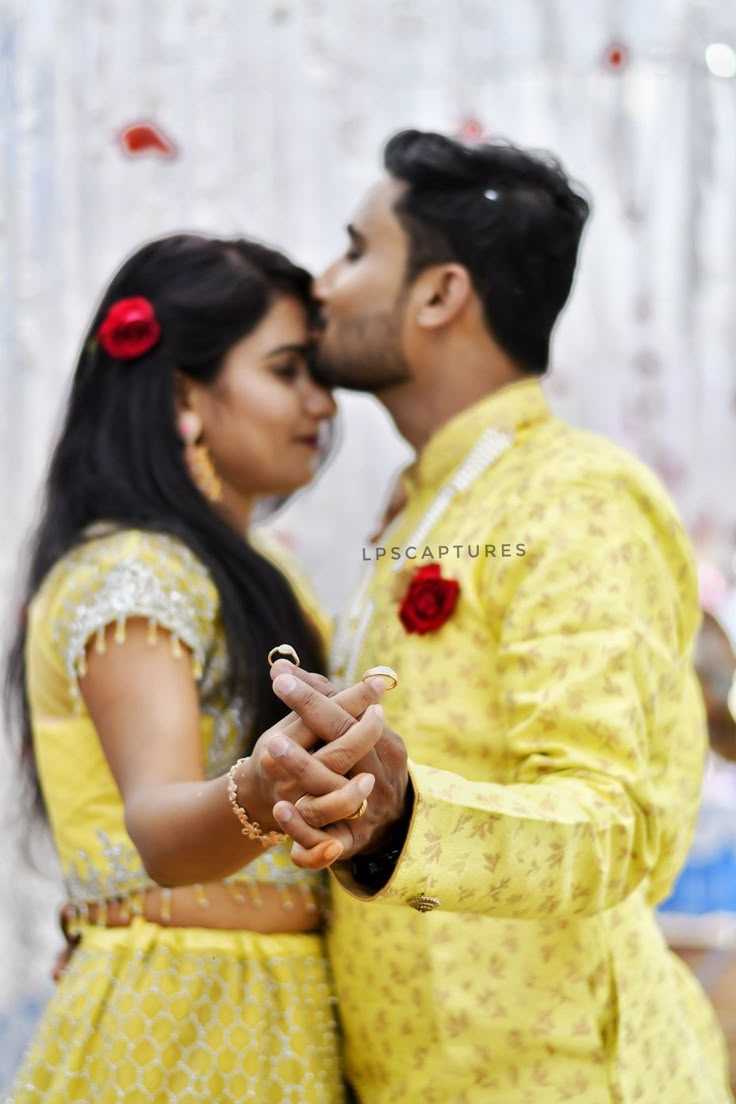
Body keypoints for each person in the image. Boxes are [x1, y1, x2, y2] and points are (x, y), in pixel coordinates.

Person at [261, 130, 735, 1102]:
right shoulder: (426, 502)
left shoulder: (574, 495)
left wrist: (401, 818)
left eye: (355, 250)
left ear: (439, 294)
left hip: (556, 1077)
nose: (323, 283)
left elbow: (610, 820)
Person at [4, 232, 388, 1104]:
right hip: (177, 1018)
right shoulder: (134, 572)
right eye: (288, 370)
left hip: (272, 1003)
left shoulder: (260, 569)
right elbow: (160, 826)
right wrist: (265, 788)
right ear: (184, 391)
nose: (321, 404)